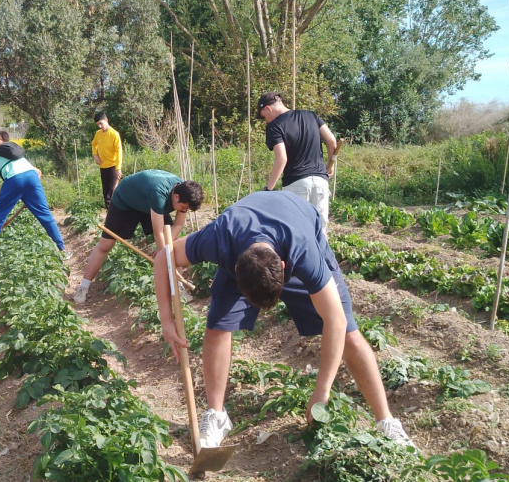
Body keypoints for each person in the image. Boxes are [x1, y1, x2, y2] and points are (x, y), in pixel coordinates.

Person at [153, 190, 416, 450]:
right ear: (234, 269)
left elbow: (334, 320)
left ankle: (386, 421)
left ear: (282, 266)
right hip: (245, 240)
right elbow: (162, 258)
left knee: (348, 332)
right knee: (218, 326)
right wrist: (166, 319)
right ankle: (216, 415)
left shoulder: (304, 252)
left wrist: (321, 391)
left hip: (298, 222)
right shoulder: (220, 237)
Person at [72, 170, 203, 304]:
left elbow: (178, 225)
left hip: (149, 204)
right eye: (183, 208)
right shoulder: (159, 192)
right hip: (126, 201)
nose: (183, 211)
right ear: (176, 196)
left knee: (172, 244)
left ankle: (178, 288)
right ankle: (83, 287)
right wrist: (164, 255)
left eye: (186, 210)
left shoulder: (184, 192)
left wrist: (166, 247)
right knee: (105, 245)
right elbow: (158, 232)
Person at [260, 92, 337, 224]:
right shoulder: (311, 115)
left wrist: (269, 189)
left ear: (268, 108)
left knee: (295, 231)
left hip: (296, 184)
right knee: (320, 230)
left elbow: (281, 159)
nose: (266, 121)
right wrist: (331, 165)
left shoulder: (274, 126)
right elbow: (331, 140)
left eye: (264, 117)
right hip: (320, 182)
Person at [0, 142, 67, 258]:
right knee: (45, 214)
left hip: (14, 180)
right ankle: (62, 249)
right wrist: (31, 196)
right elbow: (38, 172)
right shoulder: (14, 157)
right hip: (32, 177)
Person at [91, 111, 123, 208]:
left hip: (113, 167)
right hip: (103, 166)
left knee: (112, 191)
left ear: (106, 120)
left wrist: (118, 169)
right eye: (98, 125)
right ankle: (109, 215)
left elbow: (119, 152)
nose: (100, 126)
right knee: (105, 193)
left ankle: (115, 213)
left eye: (101, 123)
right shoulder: (98, 134)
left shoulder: (114, 134)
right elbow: (93, 144)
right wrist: (95, 155)